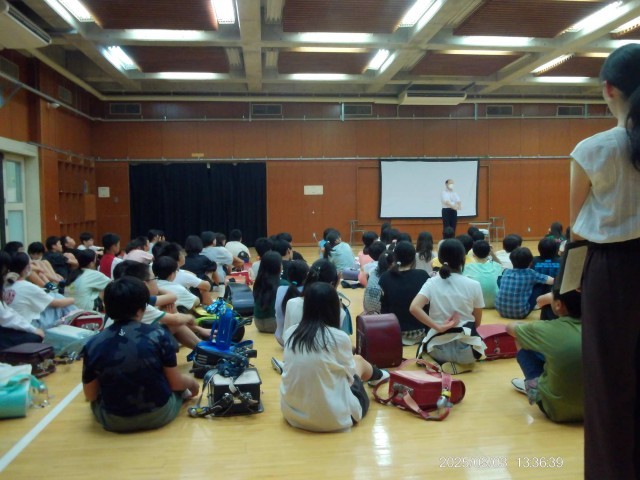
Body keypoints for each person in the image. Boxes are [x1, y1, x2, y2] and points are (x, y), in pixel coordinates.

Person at [569, 44, 640, 478]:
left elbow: (577, 229)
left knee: (609, 387)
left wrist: (566, 288)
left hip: (611, 273)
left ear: (608, 89)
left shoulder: (593, 149)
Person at [81, 277, 199, 433]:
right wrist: (193, 385)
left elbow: (90, 395)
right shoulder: (158, 334)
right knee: (178, 387)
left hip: (113, 420)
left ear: (106, 307)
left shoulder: (93, 343)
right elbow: (176, 384)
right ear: (142, 308)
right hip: (159, 414)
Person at [280, 282, 387, 432]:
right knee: (358, 361)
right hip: (335, 419)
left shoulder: (291, 333)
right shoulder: (339, 338)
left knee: (351, 365)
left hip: (293, 415)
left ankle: (380, 375)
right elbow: (350, 377)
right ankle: (381, 376)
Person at [409, 239, 485, 375]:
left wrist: (438, 327)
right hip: (467, 351)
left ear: (440, 259)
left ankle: (435, 364)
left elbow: (414, 307)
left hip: (438, 350)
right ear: (463, 259)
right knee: (477, 347)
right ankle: (464, 365)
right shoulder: (474, 284)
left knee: (423, 349)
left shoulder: (431, 282)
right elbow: (477, 323)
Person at [507, 287, 583, 423]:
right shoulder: (602, 327)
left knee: (521, 338)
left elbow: (510, 328)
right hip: (597, 410)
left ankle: (532, 385)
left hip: (557, 410)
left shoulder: (545, 329)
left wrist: (530, 328)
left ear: (558, 304)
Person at [4, 252, 77, 329]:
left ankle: (79, 317)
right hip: (28, 324)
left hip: (14, 322)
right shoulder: (29, 281)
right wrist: (73, 299)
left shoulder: (6, 284)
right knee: (58, 298)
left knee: (56, 296)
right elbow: (54, 299)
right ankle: (79, 317)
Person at [378, 241, 430, 345]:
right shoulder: (423, 275)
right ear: (413, 258)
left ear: (395, 257)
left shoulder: (385, 277)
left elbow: (382, 306)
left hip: (393, 332)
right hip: (420, 332)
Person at [0, 251, 45, 349]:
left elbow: (7, 313)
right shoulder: (26, 286)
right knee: (34, 337)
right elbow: (6, 316)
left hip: (7, 323)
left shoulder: (7, 285)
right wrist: (33, 329)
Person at [494, 247, 554, 320]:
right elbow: (552, 281)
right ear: (531, 262)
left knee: (500, 279)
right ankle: (540, 304)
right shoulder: (531, 273)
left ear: (511, 261)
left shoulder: (506, 271)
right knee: (540, 284)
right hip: (521, 313)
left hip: (500, 310)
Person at [275, 260, 309, 347]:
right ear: (307, 276)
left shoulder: (280, 289)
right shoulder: (309, 292)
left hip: (281, 338)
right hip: (299, 342)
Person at [253, 251, 288, 333]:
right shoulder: (284, 284)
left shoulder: (258, 282)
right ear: (279, 266)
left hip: (257, 322)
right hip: (275, 324)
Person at [462, 240, 503, 309]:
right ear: (489, 253)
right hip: (495, 302)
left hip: (476, 305)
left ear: (473, 254)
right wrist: (492, 254)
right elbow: (500, 265)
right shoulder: (496, 266)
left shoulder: (468, 267)